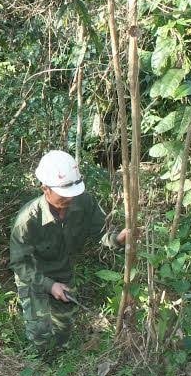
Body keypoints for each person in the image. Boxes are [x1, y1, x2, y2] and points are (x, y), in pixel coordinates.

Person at [10, 150, 132, 356]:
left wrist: (118, 239)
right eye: (63, 195)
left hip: (62, 271)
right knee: (40, 333)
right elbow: (20, 263)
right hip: (33, 275)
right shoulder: (27, 220)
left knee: (63, 329)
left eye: (73, 193)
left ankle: (59, 365)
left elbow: (101, 232)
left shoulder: (84, 202)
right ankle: (39, 367)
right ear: (45, 189)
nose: (70, 199)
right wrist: (49, 285)